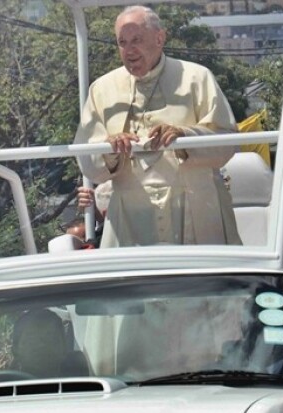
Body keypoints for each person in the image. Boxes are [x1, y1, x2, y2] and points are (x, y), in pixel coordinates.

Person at [75, 5, 241, 247]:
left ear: (159, 38)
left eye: (137, 40)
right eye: (122, 42)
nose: (129, 50)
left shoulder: (197, 78)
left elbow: (227, 142)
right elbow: (88, 162)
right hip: (131, 215)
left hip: (194, 208)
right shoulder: (101, 89)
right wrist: (110, 150)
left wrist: (184, 136)